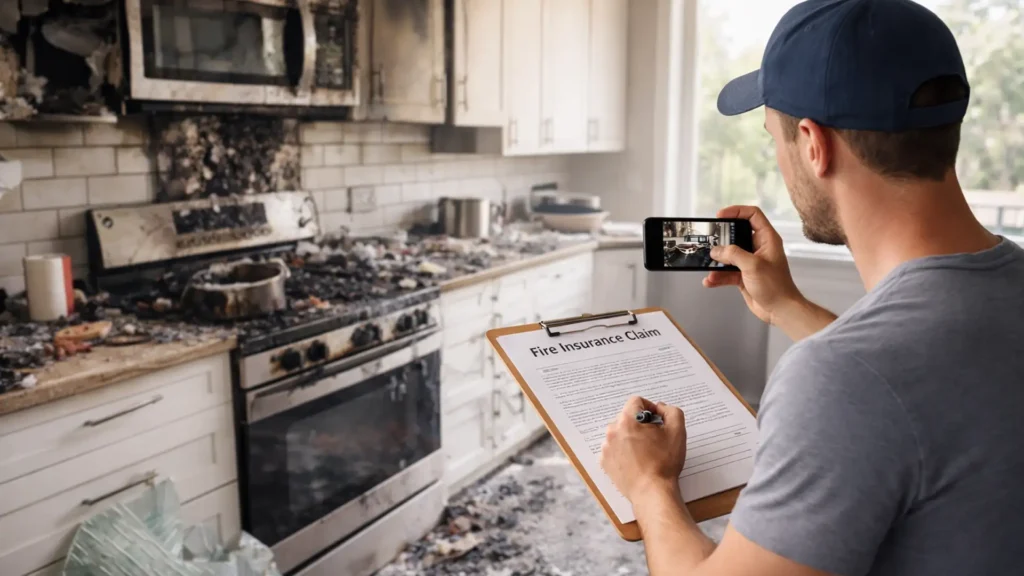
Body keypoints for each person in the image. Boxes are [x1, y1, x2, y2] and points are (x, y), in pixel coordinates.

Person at [598, 1, 1024, 575]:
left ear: (813, 143)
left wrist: (648, 484)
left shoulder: (842, 379)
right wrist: (789, 307)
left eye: (774, 136)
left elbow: (874, 385)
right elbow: (923, 390)